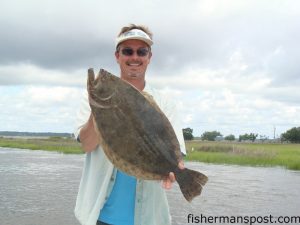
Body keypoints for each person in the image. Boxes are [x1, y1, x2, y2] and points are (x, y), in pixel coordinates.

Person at [74, 24, 186, 225]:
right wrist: (97, 109)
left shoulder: (166, 103)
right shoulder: (90, 101)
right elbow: (86, 145)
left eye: (141, 51)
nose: (134, 57)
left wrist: (175, 169)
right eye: (127, 51)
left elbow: (175, 153)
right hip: (99, 215)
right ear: (117, 56)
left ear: (149, 57)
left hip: (149, 218)